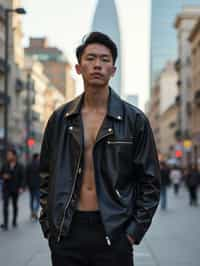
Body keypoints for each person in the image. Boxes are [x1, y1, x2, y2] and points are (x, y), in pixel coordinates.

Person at [39, 32, 160, 266]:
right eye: (91, 58)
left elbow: (151, 181)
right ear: (78, 67)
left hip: (115, 232)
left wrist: (133, 232)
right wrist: (49, 224)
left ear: (113, 70)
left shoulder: (134, 120)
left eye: (105, 60)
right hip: (67, 232)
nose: (97, 65)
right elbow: (45, 173)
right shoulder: (60, 119)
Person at [0, 148, 24, 230]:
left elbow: (22, 178)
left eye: (9, 155)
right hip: (6, 188)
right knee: (5, 206)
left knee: (14, 205)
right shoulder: (5, 164)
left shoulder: (19, 166)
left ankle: (14, 220)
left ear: (14, 156)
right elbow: (1, 174)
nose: (8, 156)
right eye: (7, 155)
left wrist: (21, 187)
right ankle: (6, 224)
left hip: (15, 188)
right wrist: (3, 176)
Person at [26, 153, 40, 220]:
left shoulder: (29, 165)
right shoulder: (40, 165)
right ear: (37, 157)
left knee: (31, 199)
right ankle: (35, 212)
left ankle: (32, 212)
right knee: (37, 199)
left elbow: (26, 175)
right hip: (37, 184)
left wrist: (26, 184)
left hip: (31, 185)